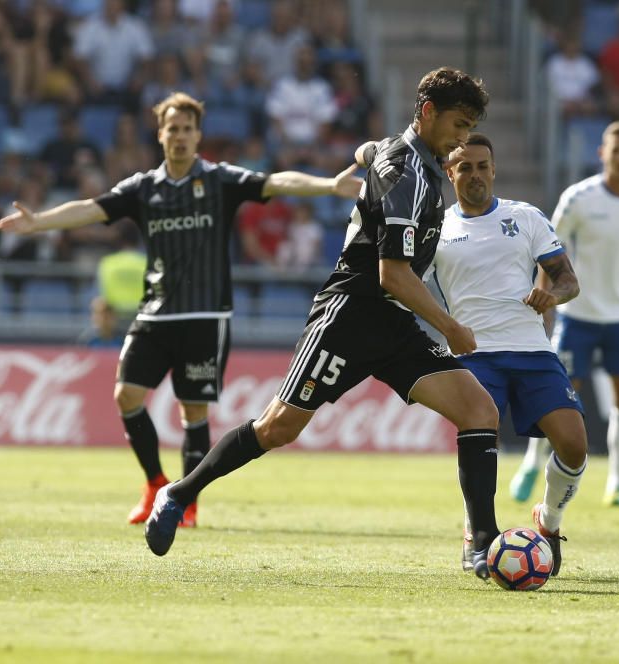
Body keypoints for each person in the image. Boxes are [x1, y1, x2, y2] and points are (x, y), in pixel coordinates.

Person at [143, 69, 504, 582]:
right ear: (426, 113)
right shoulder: (407, 175)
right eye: (458, 125)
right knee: (278, 427)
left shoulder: (402, 154)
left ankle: (482, 543)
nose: (462, 138)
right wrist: (449, 326)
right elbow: (393, 275)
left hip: (395, 325)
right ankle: (178, 493)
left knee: (478, 409)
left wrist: (364, 155)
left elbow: (366, 150)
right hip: (350, 316)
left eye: (470, 128)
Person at [0, 92, 362, 530]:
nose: (181, 136)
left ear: (198, 135)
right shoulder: (143, 188)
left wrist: (328, 185)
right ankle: (154, 483)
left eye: (188, 128)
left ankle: (185, 502)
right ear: (161, 134)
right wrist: (39, 222)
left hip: (204, 318)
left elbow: (276, 182)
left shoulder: (220, 180)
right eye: (173, 128)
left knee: (193, 413)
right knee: (126, 395)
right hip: (154, 314)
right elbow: (92, 210)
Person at [433, 133, 586, 577]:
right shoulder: (438, 230)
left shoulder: (526, 216)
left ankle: (549, 522)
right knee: (480, 441)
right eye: (465, 167)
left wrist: (551, 296)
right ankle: (475, 532)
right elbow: (408, 285)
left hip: (533, 350)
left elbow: (567, 279)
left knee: (574, 444)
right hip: (475, 354)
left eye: (483, 166)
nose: (475, 174)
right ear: (450, 173)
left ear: (494, 170)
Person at [509, 121, 619, 509]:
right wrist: (545, 299)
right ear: (602, 153)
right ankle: (532, 462)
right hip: (577, 316)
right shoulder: (579, 198)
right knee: (559, 397)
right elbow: (549, 250)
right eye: (616, 150)